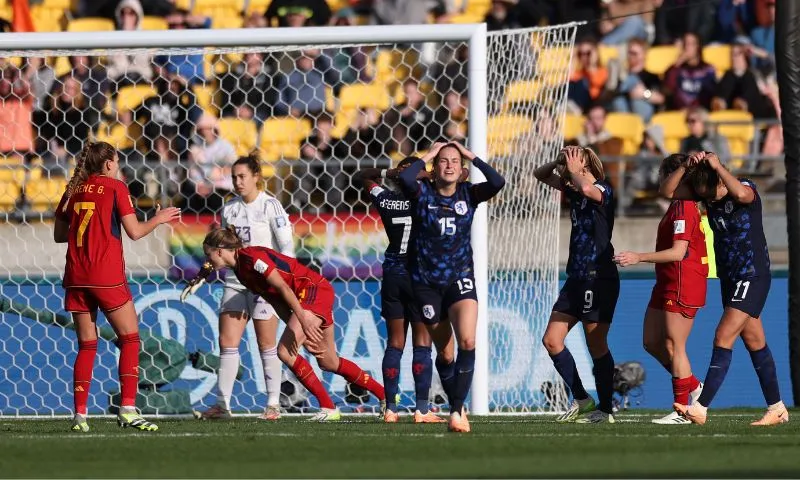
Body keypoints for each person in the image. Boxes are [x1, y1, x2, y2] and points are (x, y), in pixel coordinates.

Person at [53, 141, 181, 432]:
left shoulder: (72, 190)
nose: (119, 168)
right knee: (131, 338)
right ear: (109, 164)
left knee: (86, 344)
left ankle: (80, 417)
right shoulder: (116, 188)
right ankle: (127, 408)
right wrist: (159, 219)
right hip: (106, 275)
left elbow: (61, 235)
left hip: (76, 276)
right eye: (118, 162)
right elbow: (134, 232)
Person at [199, 227, 386, 421]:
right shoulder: (240, 272)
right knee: (329, 361)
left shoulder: (252, 258)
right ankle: (386, 396)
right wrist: (296, 327)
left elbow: (282, 286)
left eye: (208, 254)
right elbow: (275, 300)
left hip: (313, 290)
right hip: (308, 299)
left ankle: (328, 407)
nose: (207, 261)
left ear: (220, 250)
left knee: (285, 352)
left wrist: (303, 320)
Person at [660, 151, 788, 426]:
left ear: (720, 178)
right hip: (731, 278)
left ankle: (700, 407)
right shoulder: (706, 194)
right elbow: (667, 191)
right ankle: (776, 408)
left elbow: (742, 195)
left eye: (711, 193)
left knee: (722, 336)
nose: (710, 200)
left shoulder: (744, 189)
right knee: (754, 341)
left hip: (752, 275)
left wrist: (717, 165)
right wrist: (685, 165)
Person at [397, 142, 506, 432]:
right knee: (445, 355)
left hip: (460, 277)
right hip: (426, 284)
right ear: (435, 169)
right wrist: (429, 155)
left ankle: (457, 411)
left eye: (454, 161)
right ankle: (455, 405)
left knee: (468, 341)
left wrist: (472, 155)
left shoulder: (469, 194)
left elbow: (498, 181)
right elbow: (406, 178)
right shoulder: (421, 193)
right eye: (443, 161)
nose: (448, 165)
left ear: (462, 170)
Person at [182, 156, 294, 421]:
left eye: (242, 176)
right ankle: (223, 405)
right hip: (235, 281)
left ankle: (273, 404)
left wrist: (280, 279)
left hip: (263, 284)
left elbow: (287, 248)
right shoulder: (230, 208)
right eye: (234, 177)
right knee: (227, 342)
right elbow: (221, 250)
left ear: (256, 176)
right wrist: (202, 274)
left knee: (266, 343)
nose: (237, 181)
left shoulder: (271, 206)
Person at [614, 154, 708, 425]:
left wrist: (638, 257)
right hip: (666, 281)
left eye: (665, 174)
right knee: (652, 341)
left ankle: (684, 411)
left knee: (676, 346)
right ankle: (692, 386)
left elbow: (679, 253)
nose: (661, 180)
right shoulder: (677, 205)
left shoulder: (685, 207)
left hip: (682, 282)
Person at [533, 145, 619, 424]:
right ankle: (582, 398)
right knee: (551, 340)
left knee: (597, 344)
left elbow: (587, 191)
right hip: (576, 277)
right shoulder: (573, 187)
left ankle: (606, 410)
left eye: (573, 158)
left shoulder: (604, 190)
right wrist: (558, 161)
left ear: (586, 163)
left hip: (599, 276)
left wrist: (574, 172)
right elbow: (540, 174)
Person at [357, 159, 444, 424]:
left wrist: (387, 172)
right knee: (422, 344)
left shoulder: (385, 199)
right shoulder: (428, 199)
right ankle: (421, 409)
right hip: (419, 275)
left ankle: (390, 410)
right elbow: (459, 177)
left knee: (395, 343)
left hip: (393, 274)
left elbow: (362, 175)